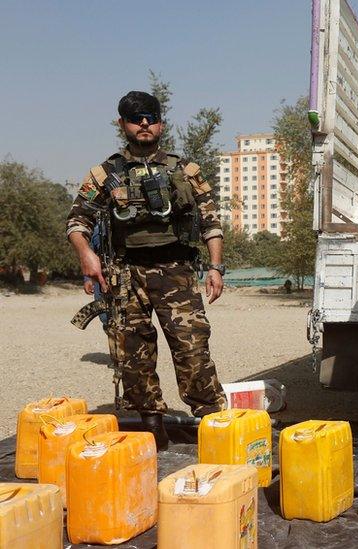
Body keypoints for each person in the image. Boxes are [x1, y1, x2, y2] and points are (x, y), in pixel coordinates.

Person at [66, 91, 227, 449]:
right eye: (135, 118)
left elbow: (211, 221)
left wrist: (215, 266)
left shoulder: (186, 170)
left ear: (160, 123)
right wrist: (86, 256)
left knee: (192, 349)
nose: (143, 124)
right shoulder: (104, 173)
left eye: (150, 117)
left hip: (177, 272)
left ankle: (214, 425)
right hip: (125, 274)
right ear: (122, 124)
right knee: (132, 353)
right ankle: (153, 425)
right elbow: (77, 220)